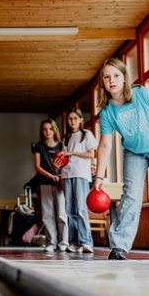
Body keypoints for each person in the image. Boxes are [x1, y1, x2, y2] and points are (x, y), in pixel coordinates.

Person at [92, 58, 149, 260]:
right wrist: (98, 177)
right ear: (103, 82)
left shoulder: (142, 94)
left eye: (116, 76)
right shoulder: (107, 112)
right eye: (107, 77)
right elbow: (105, 146)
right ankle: (119, 246)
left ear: (124, 77)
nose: (111, 80)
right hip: (134, 153)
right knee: (131, 196)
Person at [60, 108, 98, 254]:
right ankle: (74, 242)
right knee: (69, 209)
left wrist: (72, 152)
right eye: (70, 119)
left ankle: (86, 241)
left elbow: (91, 154)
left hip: (81, 174)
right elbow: (64, 157)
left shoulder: (86, 134)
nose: (72, 121)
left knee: (81, 208)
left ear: (81, 119)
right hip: (66, 175)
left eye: (75, 118)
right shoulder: (66, 137)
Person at [32, 118, 68, 252]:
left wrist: (59, 177)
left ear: (54, 130)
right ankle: (51, 242)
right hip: (45, 183)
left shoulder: (62, 146)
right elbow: (37, 166)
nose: (48, 132)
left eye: (50, 129)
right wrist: (50, 176)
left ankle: (64, 242)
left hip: (60, 184)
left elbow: (66, 163)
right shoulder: (39, 146)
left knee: (62, 214)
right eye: (45, 129)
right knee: (47, 214)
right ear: (42, 131)